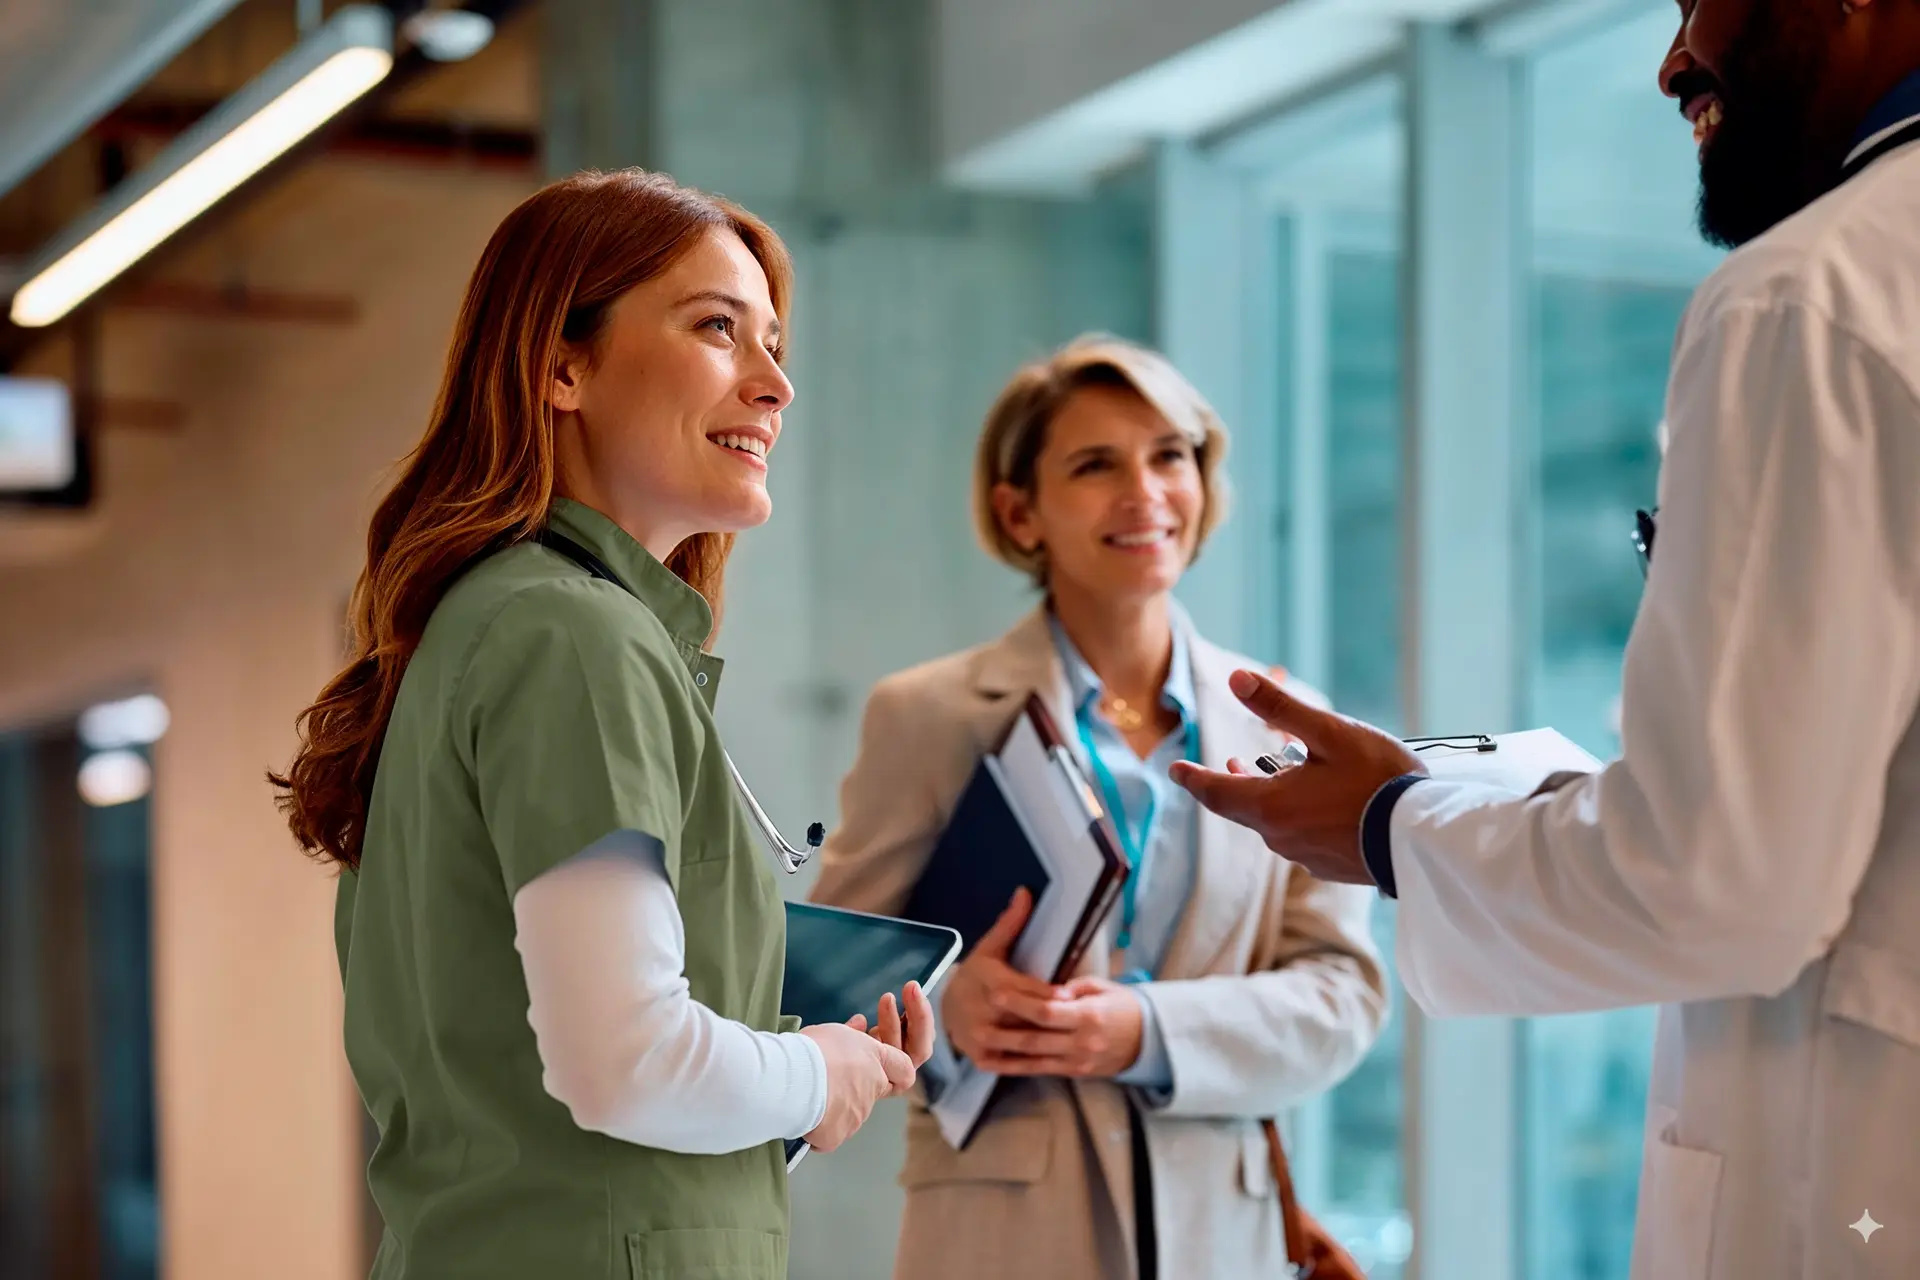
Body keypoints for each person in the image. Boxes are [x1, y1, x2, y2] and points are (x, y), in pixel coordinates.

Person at [1170, 6, 1920, 1278]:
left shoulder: (1810, 298)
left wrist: (1388, 827)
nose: (1674, 58)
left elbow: (1722, 880)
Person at [270, 169, 932, 1279]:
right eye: (719, 328)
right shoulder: (569, 635)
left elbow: (574, 1082)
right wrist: (817, 1069)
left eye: (774, 343)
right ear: (561, 365)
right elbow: (625, 1060)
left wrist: (790, 1082)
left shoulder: (504, 622)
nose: (775, 385)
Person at [810, 336, 1388, 1279]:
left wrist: (1147, 1030)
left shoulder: (1290, 723)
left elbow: (1343, 995)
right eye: (1094, 465)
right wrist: (948, 1005)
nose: (1145, 491)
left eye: (1170, 455)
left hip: (1221, 1239)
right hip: (998, 1237)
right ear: (1020, 512)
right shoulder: (929, 716)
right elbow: (839, 969)